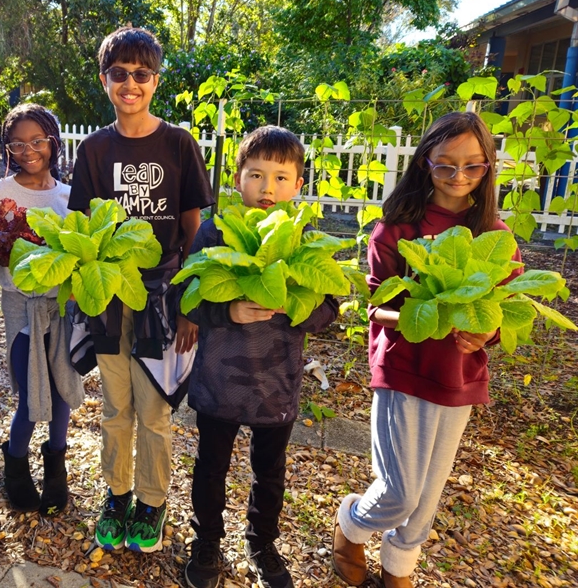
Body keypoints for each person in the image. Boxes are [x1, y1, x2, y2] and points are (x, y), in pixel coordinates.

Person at [331, 112, 522, 588]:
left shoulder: (496, 237)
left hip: (459, 377)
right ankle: (352, 522)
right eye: (446, 166)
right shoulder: (395, 230)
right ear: (424, 164)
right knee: (400, 492)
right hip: (406, 371)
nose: (459, 177)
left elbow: (505, 311)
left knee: (427, 496)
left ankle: (397, 571)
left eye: (473, 166)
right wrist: (433, 318)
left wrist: (484, 334)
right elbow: (377, 309)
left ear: (488, 168)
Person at [68, 26, 215, 553]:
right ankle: (117, 494)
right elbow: (81, 229)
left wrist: (192, 300)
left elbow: (195, 229)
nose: (130, 83)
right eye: (119, 73)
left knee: (155, 409)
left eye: (141, 74)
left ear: (155, 80)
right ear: (104, 79)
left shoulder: (178, 143)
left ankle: (152, 500)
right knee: (114, 406)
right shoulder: (93, 149)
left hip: (163, 300)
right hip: (110, 299)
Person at [182, 127, 340, 588]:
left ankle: (261, 542)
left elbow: (330, 306)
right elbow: (188, 300)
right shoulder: (215, 230)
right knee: (210, 467)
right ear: (237, 179)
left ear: (297, 185)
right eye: (256, 175)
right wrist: (228, 310)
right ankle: (207, 539)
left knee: (269, 472)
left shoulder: (304, 237)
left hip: (277, 381)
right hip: (218, 379)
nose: (267, 188)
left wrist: (298, 309)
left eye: (280, 177)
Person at [0, 103, 84, 516]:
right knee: (30, 394)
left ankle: (56, 466)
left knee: (62, 391)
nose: (28, 150)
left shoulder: (69, 196)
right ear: (8, 148)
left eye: (37, 141)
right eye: (18, 143)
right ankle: (15, 466)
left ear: (52, 143)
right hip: (21, 307)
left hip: (63, 307)